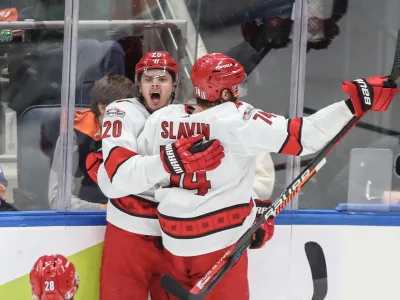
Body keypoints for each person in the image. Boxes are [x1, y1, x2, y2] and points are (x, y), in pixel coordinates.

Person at [138, 53, 398, 299]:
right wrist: (355, 103)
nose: (240, 93)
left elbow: (140, 173)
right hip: (219, 246)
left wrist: (249, 209)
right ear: (225, 91)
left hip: (171, 244)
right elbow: (306, 136)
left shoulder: (161, 118)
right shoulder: (238, 120)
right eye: (236, 87)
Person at [96, 51, 225, 300]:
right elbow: (116, 179)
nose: (155, 83)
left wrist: (248, 205)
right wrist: (169, 161)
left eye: (162, 78)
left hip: (173, 237)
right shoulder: (121, 111)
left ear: (174, 84)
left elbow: (222, 165)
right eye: (148, 78)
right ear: (139, 85)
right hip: (127, 236)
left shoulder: (189, 117)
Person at [48, 75, 138, 210]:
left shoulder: (142, 129)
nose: (130, 117)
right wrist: (100, 208)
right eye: (123, 111)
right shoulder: (73, 135)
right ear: (103, 108)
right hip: (90, 212)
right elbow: (57, 199)